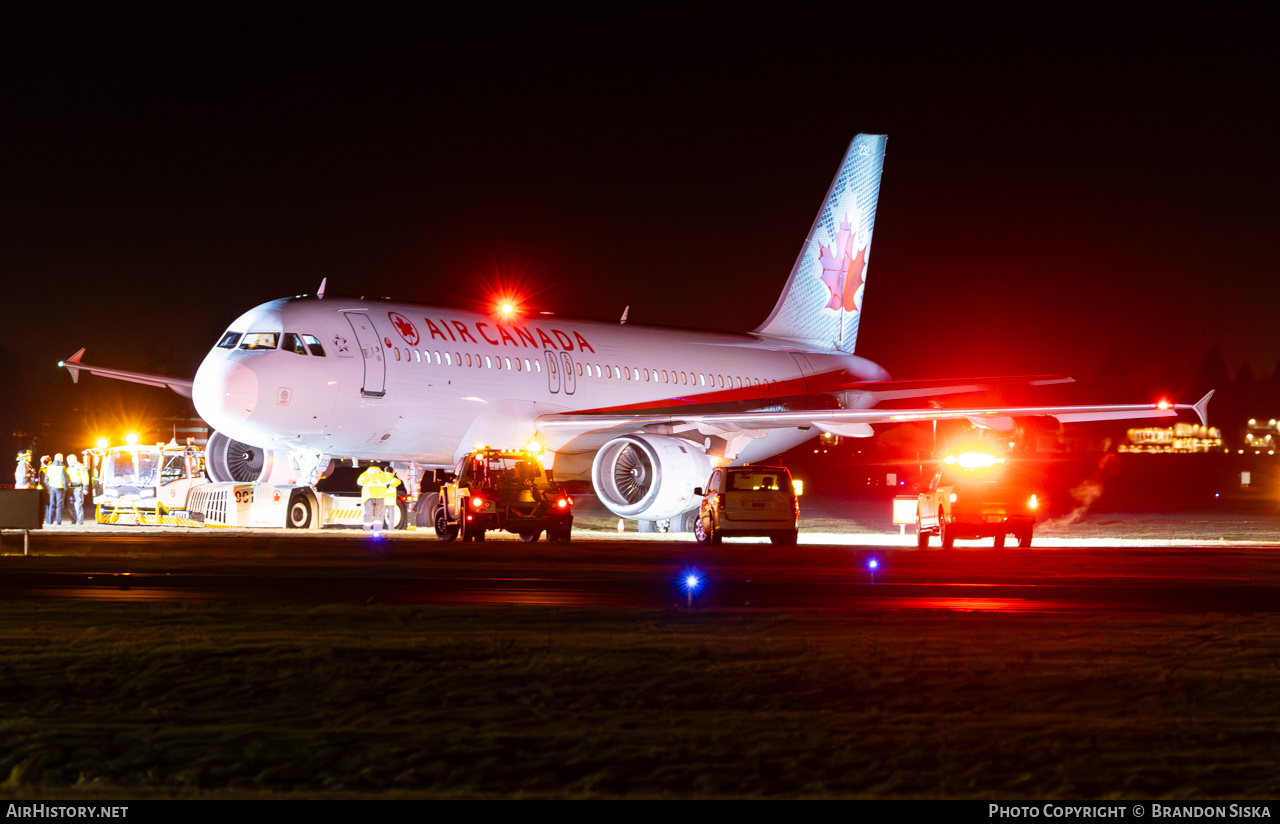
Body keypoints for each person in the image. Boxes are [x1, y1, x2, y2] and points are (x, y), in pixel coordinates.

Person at [357, 464, 391, 532]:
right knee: (378, 515)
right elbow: (389, 481)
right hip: (380, 496)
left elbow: (359, 482)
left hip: (368, 497)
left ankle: (366, 529)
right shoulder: (382, 474)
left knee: (368, 513)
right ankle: (377, 530)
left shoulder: (365, 474)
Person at [65, 453, 87, 525]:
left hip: (78, 488)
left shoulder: (81, 467)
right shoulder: (69, 467)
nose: (68, 462)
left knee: (78, 504)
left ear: (74, 460)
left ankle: (80, 521)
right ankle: (73, 520)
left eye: (69, 461)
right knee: (70, 505)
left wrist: (85, 488)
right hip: (70, 488)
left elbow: (85, 477)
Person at [45, 454, 67, 525]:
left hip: (52, 487)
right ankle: (58, 521)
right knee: (59, 505)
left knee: (52, 504)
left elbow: (46, 479)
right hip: (60, 488)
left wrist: (49, 487)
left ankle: (49, 521)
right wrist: (66, 488)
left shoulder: (49, 467)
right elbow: (64, 478)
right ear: (61, 459)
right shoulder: (62, 467)